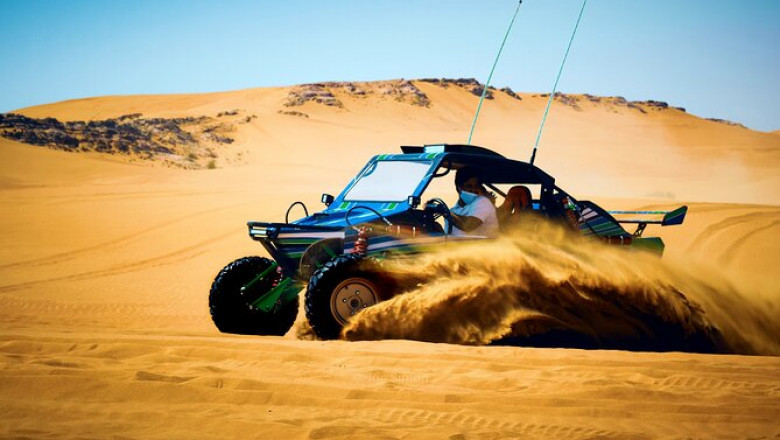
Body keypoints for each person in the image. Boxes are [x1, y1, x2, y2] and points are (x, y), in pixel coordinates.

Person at [443, 167, 499, 237]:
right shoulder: (453, 211)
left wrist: (445, 212)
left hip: (483, 247)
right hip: (456, 246)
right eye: (469, 186)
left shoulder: (483, 202)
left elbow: (468, 226)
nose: (473, 190)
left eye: (476, 186)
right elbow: (447, 237)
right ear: (458, 188)